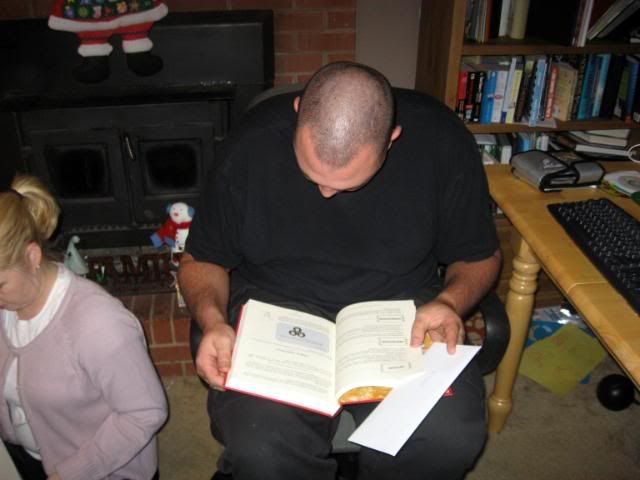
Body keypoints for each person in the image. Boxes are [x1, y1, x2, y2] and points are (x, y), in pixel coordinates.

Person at [178, 61, 502, 480]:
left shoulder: (443, 142)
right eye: (311, 173)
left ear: (392, 138)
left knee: (445, 438)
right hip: (275, 307)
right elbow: (202, 259)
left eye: (348, 184)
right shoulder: (249, 144)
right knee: (264, 451)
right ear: (298, 111)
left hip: (402, 311)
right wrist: (213, 321)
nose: (326, 192)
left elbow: (479, 255)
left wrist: (450, 302)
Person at [0, 174, 168, 480]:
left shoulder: (99, 324)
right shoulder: (8, 305)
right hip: (29, 459)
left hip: (102, 472)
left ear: (32, 256)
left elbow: (145, 413)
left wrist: (70, 474)